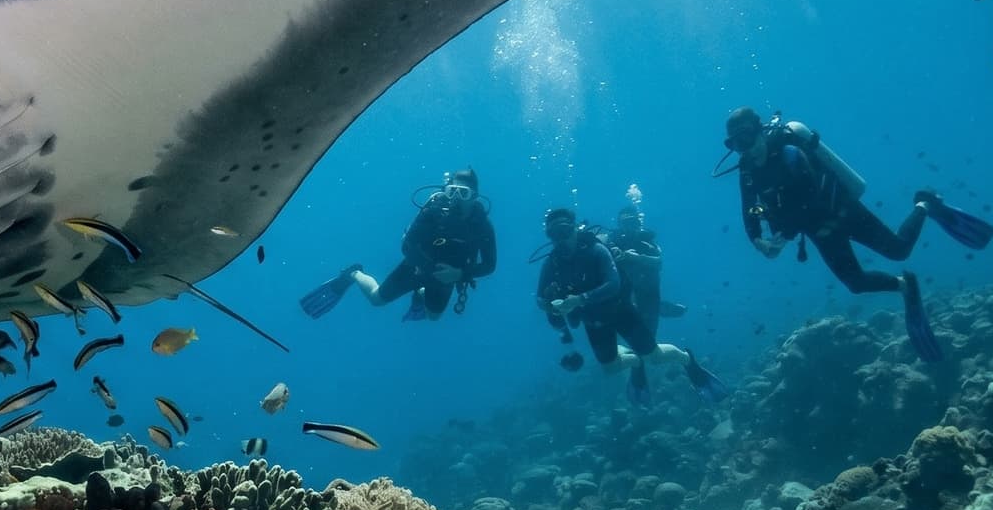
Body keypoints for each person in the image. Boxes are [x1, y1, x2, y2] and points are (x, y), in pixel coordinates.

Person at [722, 106, 993, 362]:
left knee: (898, 249)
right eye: (736, 145)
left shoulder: (789, 149)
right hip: (818, 230)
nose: (745, 149)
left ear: (759, 130)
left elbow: (809, 194)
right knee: (856, 284)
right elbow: (749, 210)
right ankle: (905, 285)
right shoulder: (747, 170)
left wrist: (787, 234)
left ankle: (925, 204)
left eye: (746, 139)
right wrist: (759, 241)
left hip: (842, 210)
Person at [535, 207, 724, 404]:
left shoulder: (595, 250)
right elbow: (540, 298)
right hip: (594, 320)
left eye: (564, 231)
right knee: (611, 368)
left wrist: (578, 300)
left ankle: (688, 360)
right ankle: (635, 361)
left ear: (575, 229)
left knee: (655, 356)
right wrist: (551, 306)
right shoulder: (551, 263)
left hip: (621, 311)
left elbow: (613, 284)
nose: (561, 239)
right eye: (554, 235)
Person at [300, 169, 497, 322]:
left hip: (445, 279)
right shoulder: (433, 211)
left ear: (474, 197)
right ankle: (353, 274)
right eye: (452, 191)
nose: (455, 198)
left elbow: (490, 265)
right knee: (377, 300)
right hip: (416, 267)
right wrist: (427, 268)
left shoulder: (481, 225)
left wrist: (459, 275)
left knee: (433, 317)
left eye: (463, 193)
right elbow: (407, 245)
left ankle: (420, 294)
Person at [600, 202, 688, 334]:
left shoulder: (647, 242)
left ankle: (654, 308)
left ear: (639, 223)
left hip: (645, 287)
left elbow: (658, 262)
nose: (630, 227)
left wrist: (638, 258)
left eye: (633, 222)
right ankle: (651, 309)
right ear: (619, 224)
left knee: (648, 331)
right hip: (620, 289)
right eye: (626, 223)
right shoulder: (612, 240)